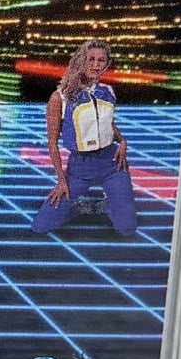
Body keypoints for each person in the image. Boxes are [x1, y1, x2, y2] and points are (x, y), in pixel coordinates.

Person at [29, 39, 136, 238]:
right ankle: (78, 207)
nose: (96, 65)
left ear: (106, 64)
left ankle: (109, 204)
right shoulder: (59, 97)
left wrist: (122, 141)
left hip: (112, 163)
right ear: (81, 60)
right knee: (41, 225)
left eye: (101, 60)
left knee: (127, 228)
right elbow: (52, 143)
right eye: (91, 59)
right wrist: (61, 180)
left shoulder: (108, 91)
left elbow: (107, 124)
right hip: (80, 166)